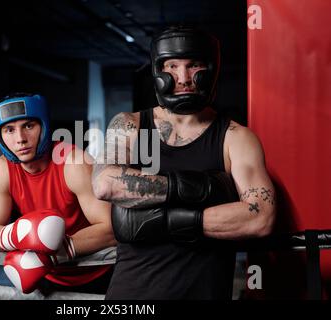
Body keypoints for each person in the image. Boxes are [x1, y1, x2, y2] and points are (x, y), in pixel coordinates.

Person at [92, 26, 276, 299]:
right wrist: (206, 190)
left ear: (210, 70)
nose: (183, 78)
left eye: (193, 65)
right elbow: (106, 184)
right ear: (158, 71)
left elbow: (261, 217)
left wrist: (167, 220)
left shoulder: (235, 137)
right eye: (172, 66)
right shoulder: (129, 124)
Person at [0, 93, 116, 294]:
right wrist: (18, 235)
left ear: (44, 125)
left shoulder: (74, 162)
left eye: (28, 126)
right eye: (9, 130)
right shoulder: (1, 169)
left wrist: (50, 254)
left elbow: (111, 229)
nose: (20, 139)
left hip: (96, 272)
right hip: (46, 277)